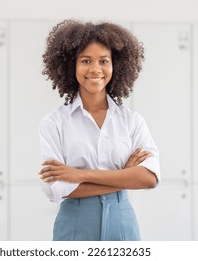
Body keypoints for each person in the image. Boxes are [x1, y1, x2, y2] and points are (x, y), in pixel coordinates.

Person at [38, 19, 160, 241]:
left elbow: (149, 178)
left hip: (122, 223)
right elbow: (54, 189)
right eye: (86, 61)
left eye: (104, 61)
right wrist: (123, 176)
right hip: (75, 223)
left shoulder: (132, 121)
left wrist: (79, 175)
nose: (95, 69)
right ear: (71, 65)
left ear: (116, 65)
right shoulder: (54, 123)